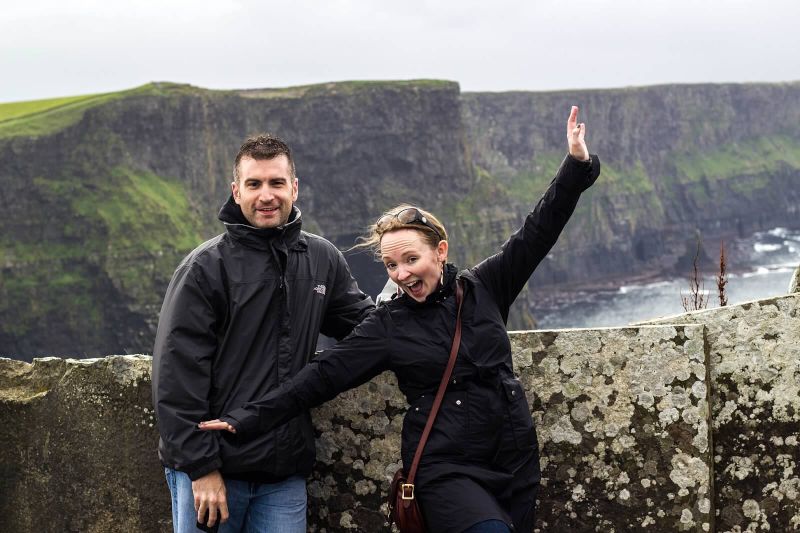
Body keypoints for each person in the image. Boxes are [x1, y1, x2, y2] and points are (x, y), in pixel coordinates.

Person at [200, 107, 601, 532]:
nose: (402, 274)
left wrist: (575, 165)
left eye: (411, 259)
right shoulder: (388, 324)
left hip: (513, 457)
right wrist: (244, 419)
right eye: (391, 265)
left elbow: (538, 231)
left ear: (440, 252)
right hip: (445, 468)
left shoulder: (485, 287)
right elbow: (321, 376)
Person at [152, 135, 374, 532]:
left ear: (294, 187)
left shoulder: (321, 259)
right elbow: (176, 376)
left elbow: (368, 328)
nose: (266, 195)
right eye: (254, 184)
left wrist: (429, 300)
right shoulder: (205, 268)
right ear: (236, 192)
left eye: (276, 183)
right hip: (213, 471)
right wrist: (201, 468)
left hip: (282, 476)